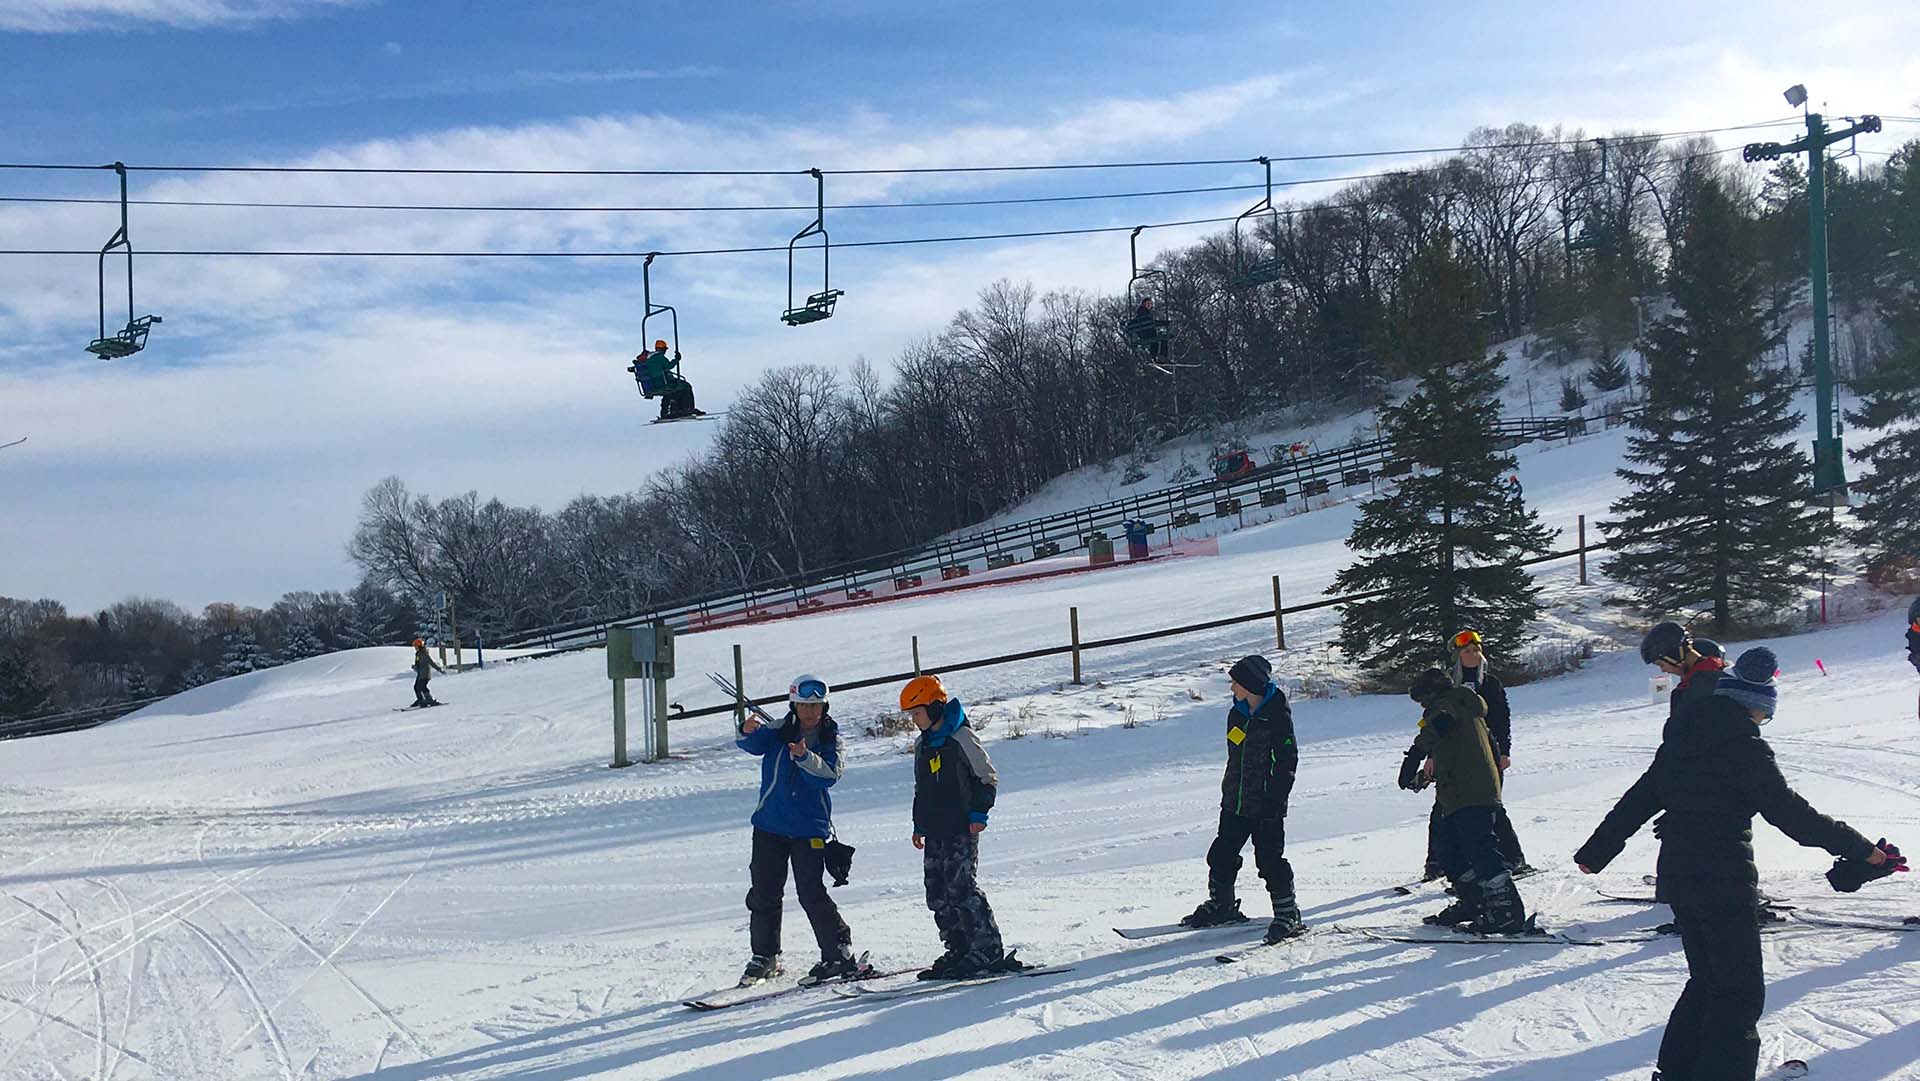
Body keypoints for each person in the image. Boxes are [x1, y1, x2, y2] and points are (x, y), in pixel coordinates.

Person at [1576, 646, 1905, 1081]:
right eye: (1764, 716)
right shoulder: (1744, 748)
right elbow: (1793, 816)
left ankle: (1677, 1073)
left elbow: (1638, 799)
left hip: (1680, 877)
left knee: (1708, 980)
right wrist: (1864, 850)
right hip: (1724, 879)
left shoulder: (1681, 740)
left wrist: (1595, 852)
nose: (1762, 723)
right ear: (1755, 706)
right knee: (1738, 991)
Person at [734, 674, 862, 985]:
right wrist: (745, 730)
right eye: (804, 705)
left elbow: (829, 776)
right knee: (764, 893)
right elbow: (752, 744)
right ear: (794, 705)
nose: (810, 711)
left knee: (811, 892)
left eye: (816, 705)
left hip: (809, 829)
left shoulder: (832, 739)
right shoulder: (779, 729)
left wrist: (804, 757)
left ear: (824, 706)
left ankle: (838, 952)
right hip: (770, 826)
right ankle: (765, 956)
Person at [901, 674, 1023, 979]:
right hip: (934, 830)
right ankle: (959, 948)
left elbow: (987, 777)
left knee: (961, 887)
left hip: (961, 827)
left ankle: (986, 949)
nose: (914, 720)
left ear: (935, 707)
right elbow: (921, 788)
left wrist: (979, 813)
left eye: (917, 713)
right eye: (911, 715)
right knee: (937, 891)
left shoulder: (961, 738)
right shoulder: (922, 745)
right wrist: (919, 825)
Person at [1180, 654, 1304, 944]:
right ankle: (1222, 906)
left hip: (1267, 804)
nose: (1232, 688)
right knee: (1220, 855)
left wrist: (1275, 799)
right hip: (1235, 802)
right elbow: (1236, 756)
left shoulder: (1276, 716)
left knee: (1269, 860)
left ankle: (1288, 914)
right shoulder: (1236, 714)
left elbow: (1287, 762)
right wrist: (1230, 791)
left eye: (1235, 682)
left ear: (1250, 684)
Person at [1398, 667, 1530, 933]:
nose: (1422, 707)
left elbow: (1436, 730)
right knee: (1448, 849)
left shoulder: (1452, 704)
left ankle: (1507, 912)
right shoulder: (1461, 708)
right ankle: (1474, 901)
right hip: (1460, 790)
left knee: (1480, 848)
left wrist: (1412, 758)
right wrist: (1424, 776)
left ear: (1432, 693)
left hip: (1472, 791)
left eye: (1422, 700)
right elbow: (1454, 750)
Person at [1418, 630, 1530, 880]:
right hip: (1453, 755)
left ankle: (1513, 858)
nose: (1474, 655)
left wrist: (1504, 751)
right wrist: (1431, 756)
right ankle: (1437, 862)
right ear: (1458, 656)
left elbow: (1501, 719)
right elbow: (1434, 724)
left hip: (1488, 754)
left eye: (1477, 650)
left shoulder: (1490, 684)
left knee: (1490, 807)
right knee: (1443, 807)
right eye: (1468, 651)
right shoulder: (1446, 685)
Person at [1641, 620, 1726, 719]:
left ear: (1674, 655)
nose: (1663, 670)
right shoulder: (1720, 677)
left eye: (1661, 664)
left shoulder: (1697, 688)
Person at [631, 338, 701, 421]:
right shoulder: (660, 357)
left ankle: (667, 411)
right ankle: (687, 408)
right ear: (663, 349)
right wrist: (676, 359)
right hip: (662, 382)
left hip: (653, 385)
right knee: (686, 386)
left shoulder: (647, 359)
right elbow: (669, 366)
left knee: (670, 392)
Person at [409, 638, 444, 707]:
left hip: (425, 674)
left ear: (419, 646)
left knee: (422, 687)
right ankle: (420, 700)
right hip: (420, 674)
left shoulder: (424, 653)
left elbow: (431, 662)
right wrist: (415, 667)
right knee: (416, 687)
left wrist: (439, 669)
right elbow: (418, 663)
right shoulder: (418, 654)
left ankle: (429, 699)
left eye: (416, 646)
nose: (415, 648)